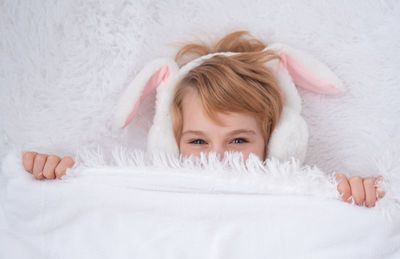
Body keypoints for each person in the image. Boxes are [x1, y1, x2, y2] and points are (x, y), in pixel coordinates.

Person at [22, 31, 385, 207]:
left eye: (239, 140)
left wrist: (357, 200)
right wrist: (56, 182)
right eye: (197, 141)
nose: (217, 156)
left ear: (276, 143)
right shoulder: (144, 195)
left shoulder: (303, 197)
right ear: (169, 142)